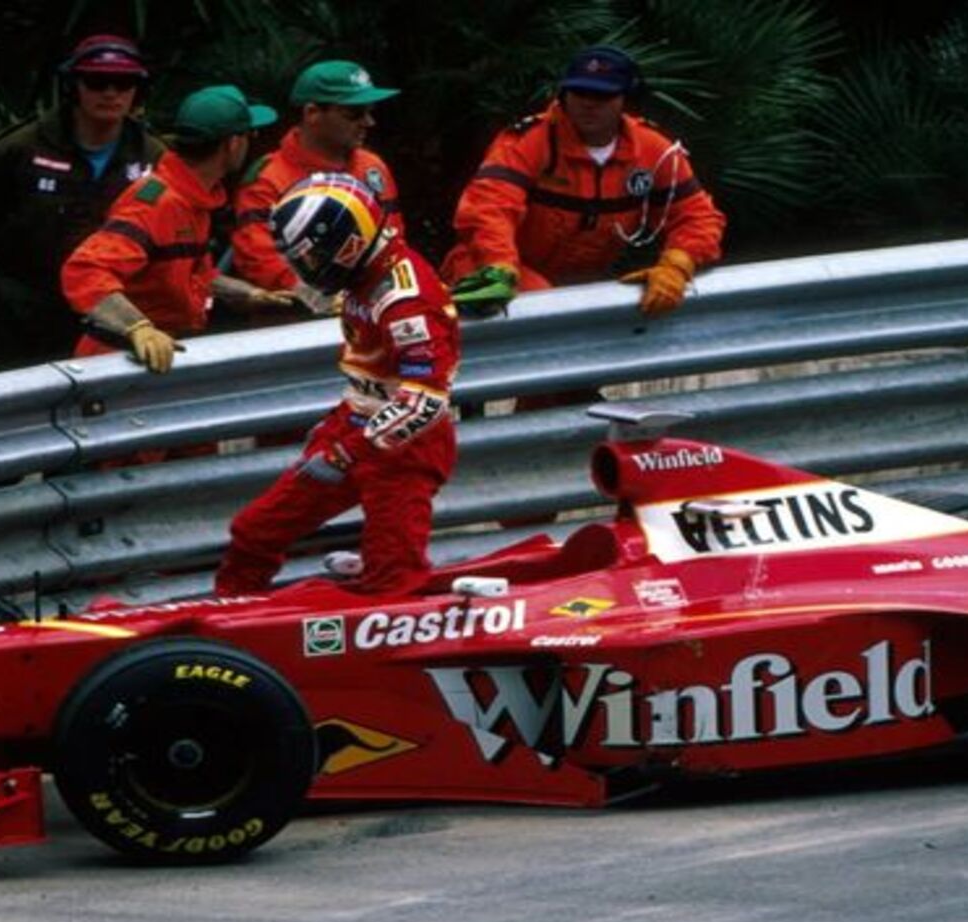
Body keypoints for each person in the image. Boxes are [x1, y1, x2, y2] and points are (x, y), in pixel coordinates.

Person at [214, 173, 459, 597]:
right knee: (254, 532)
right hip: (356, 427)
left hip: (404, 448)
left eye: (310, 258)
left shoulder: (405, 300)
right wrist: (339, 425)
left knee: (393, 578)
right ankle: (231, 613)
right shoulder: (363, 276)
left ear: (346, 244)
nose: (305, 270)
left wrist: (348, 452)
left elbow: (424, 403)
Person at [0, 35, 167, 368]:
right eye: (98, 81)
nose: (111, 93)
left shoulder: (154, 156)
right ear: (74, 86)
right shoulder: (18, 150)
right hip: (18, 318)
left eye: (124, 82)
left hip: (113, 318)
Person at [442, 45, 726, 319]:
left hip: (579, 281)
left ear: (624, 99)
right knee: (542, 307)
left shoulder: (653, 150)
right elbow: (489, 207)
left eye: (601, 95)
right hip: (495, 269)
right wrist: (498, 266)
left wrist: (676, 265)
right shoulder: (528, 141)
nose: (588, 104)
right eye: (579, 92)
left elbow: (697, 217)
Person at [60, 84, 294, 371]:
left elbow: (191, 275)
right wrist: (138, 328)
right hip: (118, 362)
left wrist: (248, 294)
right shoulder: (157, 204)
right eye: (250, 134)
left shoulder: (195, 198)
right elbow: (84, 270)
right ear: (233, 143)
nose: (252, 143)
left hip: (164, 356)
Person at [230, 60, 404, 314]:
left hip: (377, 305)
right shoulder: (268, 178)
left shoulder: (371, 167)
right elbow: (258, 257)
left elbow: (394, 237)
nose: (368, 122)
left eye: (370, 111)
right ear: (312, 113)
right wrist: (314, 297)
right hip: (297, 316)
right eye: (354, 113)